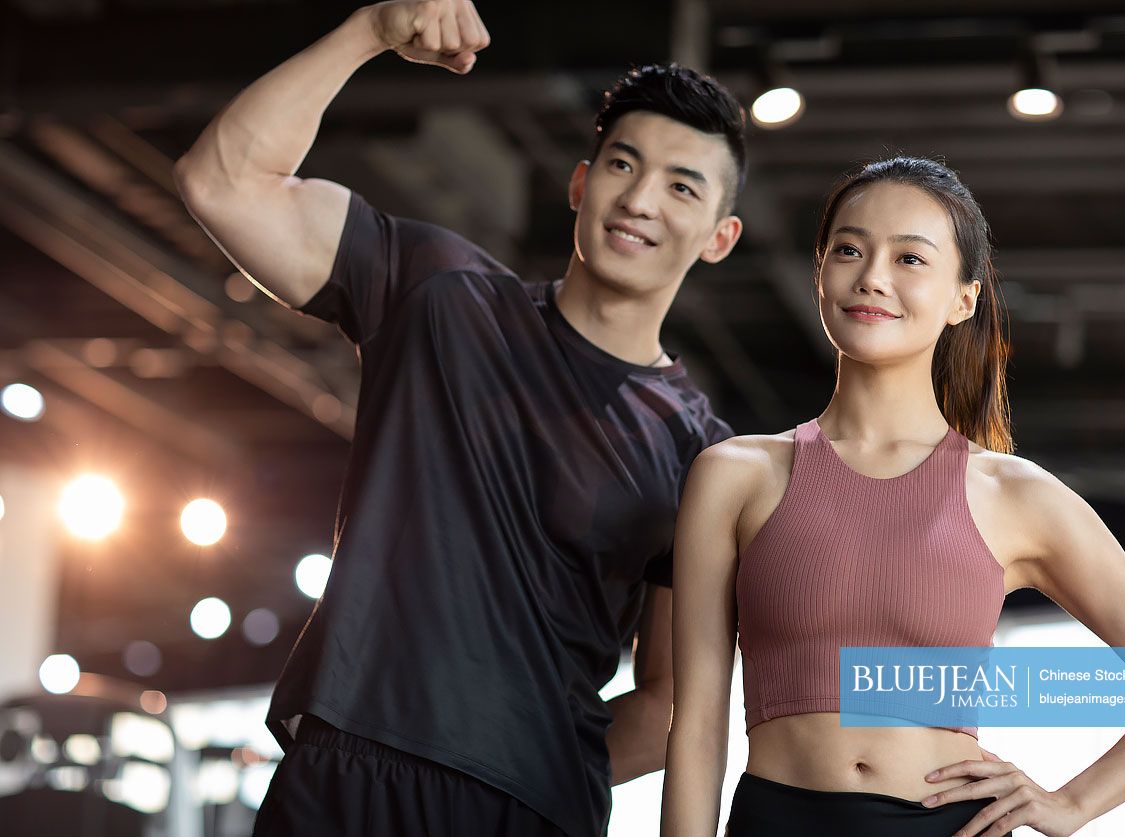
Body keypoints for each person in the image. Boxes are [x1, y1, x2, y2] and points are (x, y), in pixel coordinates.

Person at [173, 2, 748, 835]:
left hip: (528, 806)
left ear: (720, 236)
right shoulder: (438, 290)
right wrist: (369, 29)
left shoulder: (701, 451)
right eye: (623, 164)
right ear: (582, 182)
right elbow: (218, 182)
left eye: (681, 185)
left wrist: (529, 767)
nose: (641, 200)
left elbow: (667, 701)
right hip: (348, 767)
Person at [660, 156, 1125, 837]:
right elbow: (694, 724)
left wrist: (1069, 803)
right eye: (848, 249)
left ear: (963, 298)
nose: (871, 276)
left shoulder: (1014, 494)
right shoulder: (733, 473)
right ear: (818, 274)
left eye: (909, 258)